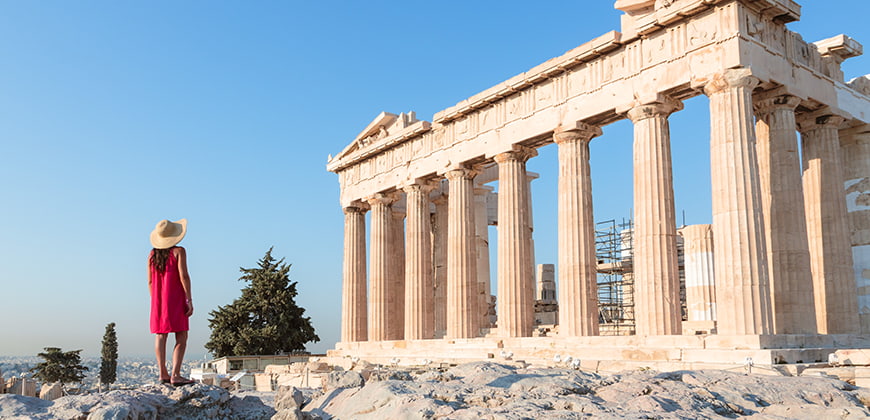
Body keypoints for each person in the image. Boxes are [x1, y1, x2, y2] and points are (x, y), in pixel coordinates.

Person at [148, 218, 194, 386]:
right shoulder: (179, 251)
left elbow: (150, 282)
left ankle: (162, 373)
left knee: (161, 335)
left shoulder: (152, 255)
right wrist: (189, 299)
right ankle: (175, 374)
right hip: (175, 298)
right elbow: (184, 276)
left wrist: (156, 300)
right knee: (181, 335)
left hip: (158, 301)